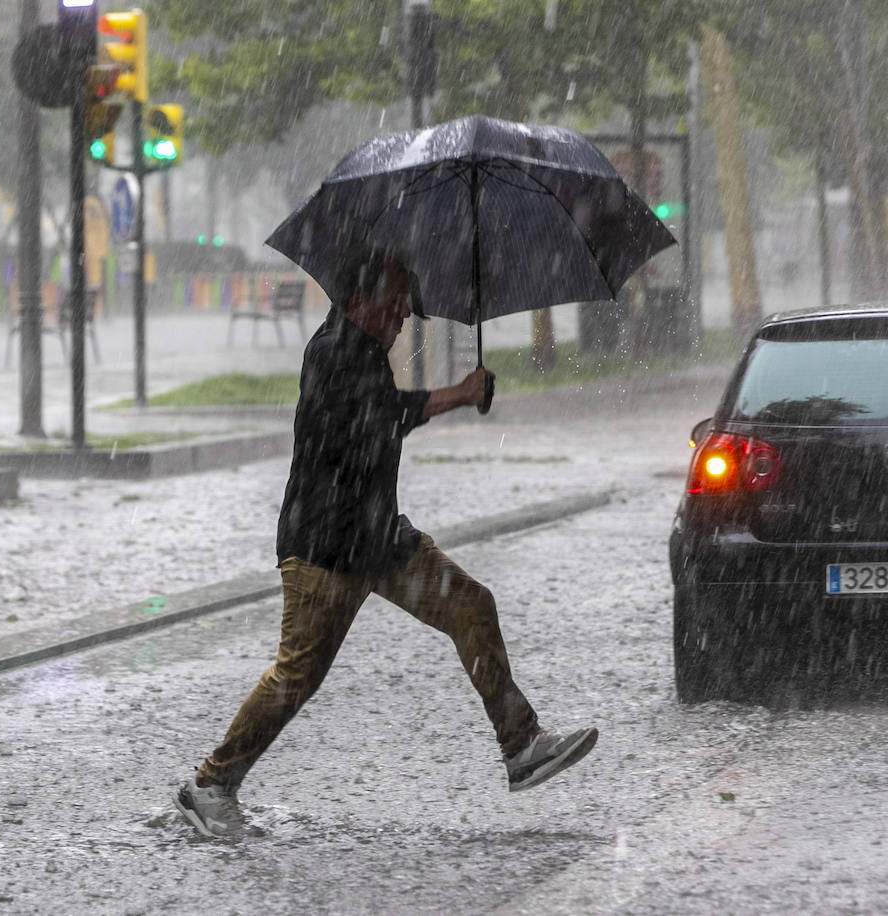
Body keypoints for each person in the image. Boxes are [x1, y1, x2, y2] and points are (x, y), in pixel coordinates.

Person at [173, 243, 598, 838]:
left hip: (379, 539)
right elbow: (381, 417)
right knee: (296, 678)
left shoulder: (366, 351)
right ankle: (210, 785)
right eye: (393, 302)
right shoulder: (331, 354)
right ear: (355, 301)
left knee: (472, 605)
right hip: (326, 549)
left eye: (406, 302)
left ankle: (521, 745)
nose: (403, 314)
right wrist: (461, 393)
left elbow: (381, 419)